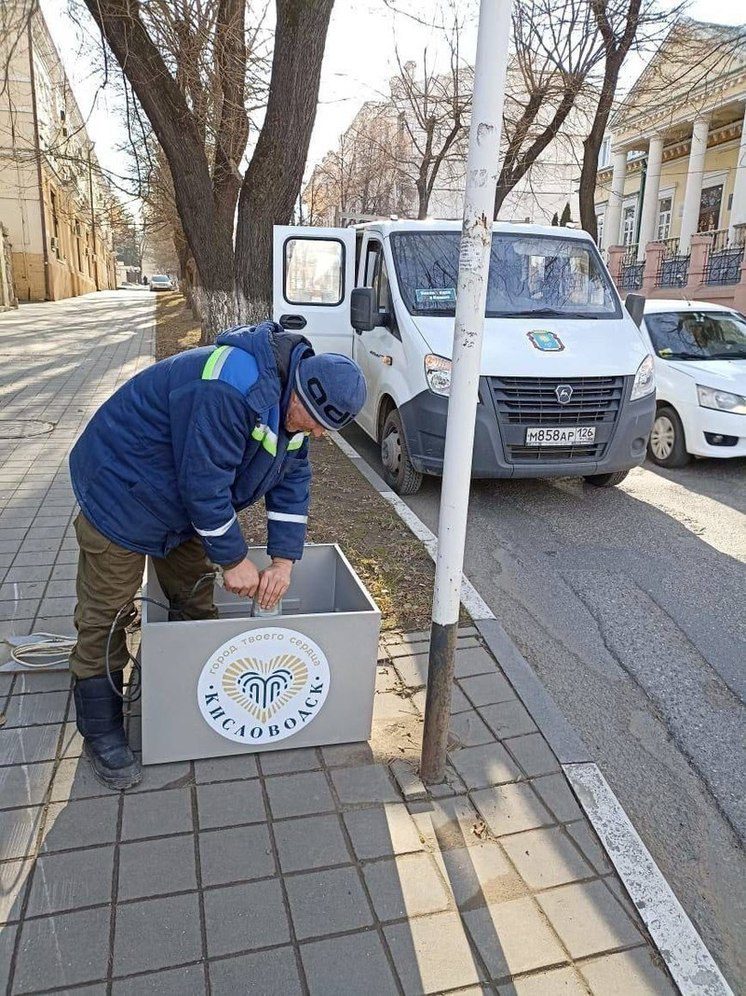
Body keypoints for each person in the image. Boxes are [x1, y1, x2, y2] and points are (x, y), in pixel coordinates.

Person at [68, 320, 366, 790]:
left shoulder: (293, 404)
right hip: (119, 491)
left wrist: (284, 560)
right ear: (300, 396)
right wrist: (234, 560)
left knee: (195, 598)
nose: (318, 436)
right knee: (107, 615)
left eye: (325, 430)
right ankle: (101, 730)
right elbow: (204, 487)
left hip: (175, 504)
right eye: (315, 424)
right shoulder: (229, 387)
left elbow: (292, 479)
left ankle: (190, 694)